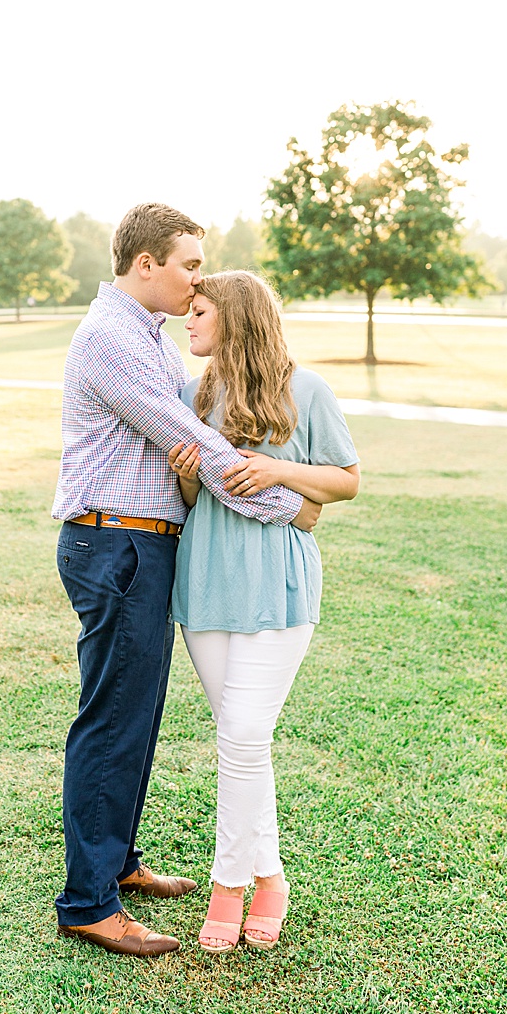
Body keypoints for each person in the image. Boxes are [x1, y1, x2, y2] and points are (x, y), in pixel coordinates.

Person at [50, 203, 321, 957]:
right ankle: (88, 903)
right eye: (190, 265)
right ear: (147, 265)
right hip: (117, 546)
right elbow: (196, 441)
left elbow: (208, 416)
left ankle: (119, 865)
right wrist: (293, 504)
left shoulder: (149, 340)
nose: (198, 278)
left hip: (143, 546)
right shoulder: (111, 340)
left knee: (136, 717)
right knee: (111, 720)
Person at [165, 271, 359, 953]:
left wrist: (279, 471)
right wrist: (188, 472)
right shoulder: (193, 395)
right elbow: (191, 502)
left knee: (243, 736)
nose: (187, 322)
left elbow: (346, 481)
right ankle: (271, 877)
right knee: (244, 743)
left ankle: (228, 885)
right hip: (206, 586)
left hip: (276, 588)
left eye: (200, 311)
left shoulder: (306, 391)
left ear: (237, 318)